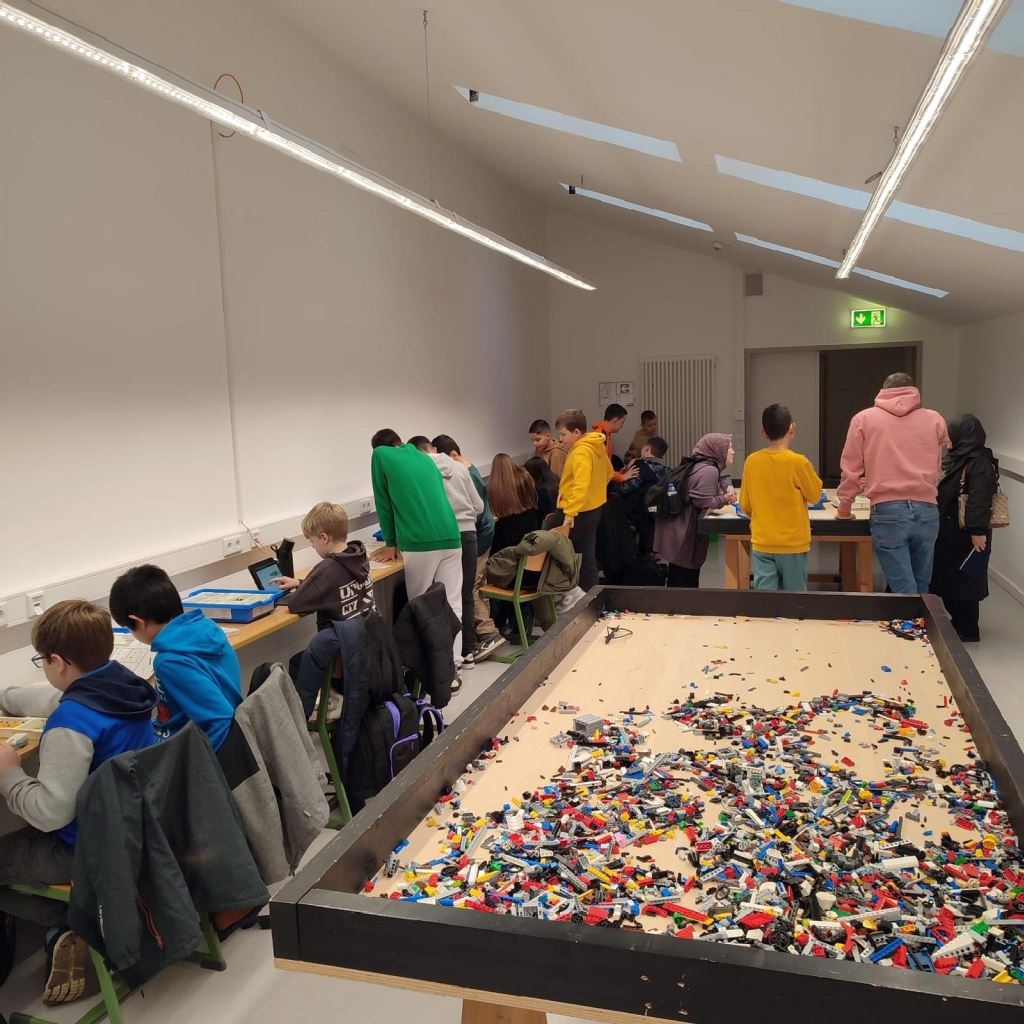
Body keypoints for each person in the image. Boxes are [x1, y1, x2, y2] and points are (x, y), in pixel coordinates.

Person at [0, 600, 156, 1005]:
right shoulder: (125, 685)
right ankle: (80, 923)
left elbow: (51, 814)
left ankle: (77, 922)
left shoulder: (70, 725)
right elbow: (51, 699)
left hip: (87, 852)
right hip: (138, 832)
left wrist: (10, 773)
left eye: (42, 661)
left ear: (58, 662)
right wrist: (6, 696)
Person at [836, 372, 949, 594]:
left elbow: (851, 468)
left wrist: (845, 507)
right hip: (927, 509)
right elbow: (937, 464)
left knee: (903, 590)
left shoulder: (864, 419)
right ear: (913, 391)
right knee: (921, 586)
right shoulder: (935, 419)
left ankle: (910, 616)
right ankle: (920, 616)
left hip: (888, 510)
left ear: (883, 391)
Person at [109, 564, 241, 750]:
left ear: (138, 622)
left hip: (190, 749)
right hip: (190, 735)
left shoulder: (169, 662)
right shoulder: (208, 628)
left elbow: (221, 722)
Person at [369, 429, 464, 675]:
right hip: (450, 535)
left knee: (420, 606)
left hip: (419, 542)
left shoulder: (380, 455)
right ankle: (454, 663)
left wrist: (390, 543)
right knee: (451, 601)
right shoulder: (424, 457)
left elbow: (383, 503)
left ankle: (429, 670)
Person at [270, 501, 374, 714]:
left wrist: (303, 587)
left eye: (312, 542)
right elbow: (331, 585)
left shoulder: (327, 568)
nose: (313, 547)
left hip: (341, 652)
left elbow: (296, 604)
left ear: (324, 537)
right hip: (364, 643)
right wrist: (301, 583)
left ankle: (305, 714)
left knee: (297, 663)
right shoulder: (358, 555)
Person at [409, 436, 484, 665]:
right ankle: (467, 651)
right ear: (432, 448)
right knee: (463, 594)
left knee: (438, 599)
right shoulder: (459, 468)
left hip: (441, 537)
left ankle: (442, 661)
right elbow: (479, 506)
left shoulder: (420, 472)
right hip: (468, 533)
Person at [430, 435, 503, 663]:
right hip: (479, 532)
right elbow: (479, 506)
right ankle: (477, 639)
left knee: (468, 589)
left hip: (474, 535)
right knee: (474, 586)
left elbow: (475, 510)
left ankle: (485, 634)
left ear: (451, 454)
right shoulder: (468, 469)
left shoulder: (460, 472)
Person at [930, 415, 999, 642]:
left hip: (968, 534)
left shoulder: (979, 463)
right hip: (951, 531)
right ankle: (958, 623)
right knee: (951, 581)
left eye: (950, 435)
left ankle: (968, 630)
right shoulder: (958, 458)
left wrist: (978, 532)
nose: (947, 439)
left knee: (965, 582)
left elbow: (980, 500)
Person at [739, 404, 823, 591]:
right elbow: (816, 496)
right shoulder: (799, 462)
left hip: (762, 542)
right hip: (793, 544)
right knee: (794, 599)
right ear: (792, 427)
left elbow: (745, 505)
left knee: (766, 601)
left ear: (763, 432)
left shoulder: (751, 461)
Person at [654, 434, 735, 587]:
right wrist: (725, 498)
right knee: (684, 582)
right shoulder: (709, 470)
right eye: (729, 448)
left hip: (677, 531)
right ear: (717, 450)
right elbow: (704, 501)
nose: (732, 452)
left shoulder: (700, 465)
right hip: (684, 536)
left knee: (680, 578)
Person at [555, 409, 613, 591]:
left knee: (561, 555)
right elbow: (609, 473)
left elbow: (581, 485)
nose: (560, 439)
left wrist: (570, 513)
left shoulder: (581, 451)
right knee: (587, 557)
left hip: (576, 512)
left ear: (576, 432)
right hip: (593, 508)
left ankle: (567, 596)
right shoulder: (596, 446)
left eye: (563, 434)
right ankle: (591, 597)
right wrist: (595, 492)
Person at [487, 454, 544, 638]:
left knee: (487, 574)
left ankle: (496, 625)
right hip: (538, 573)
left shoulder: (503, 527)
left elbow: (497, 561)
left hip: (517, 578)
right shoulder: (532, 517)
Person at [618, 435, 670, 555]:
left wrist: (623, 474)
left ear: (646, 449)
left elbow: (625, 489)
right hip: (656, 512)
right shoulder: (668, 470)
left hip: (635, 514)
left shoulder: (639, 466)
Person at [592, 404, 639, 481]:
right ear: (615, 420)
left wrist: (618, 474)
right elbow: (601, 469)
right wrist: (621, 477)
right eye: (622, 422)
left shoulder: (604, 434)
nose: (622, 426)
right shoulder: (600, 437)